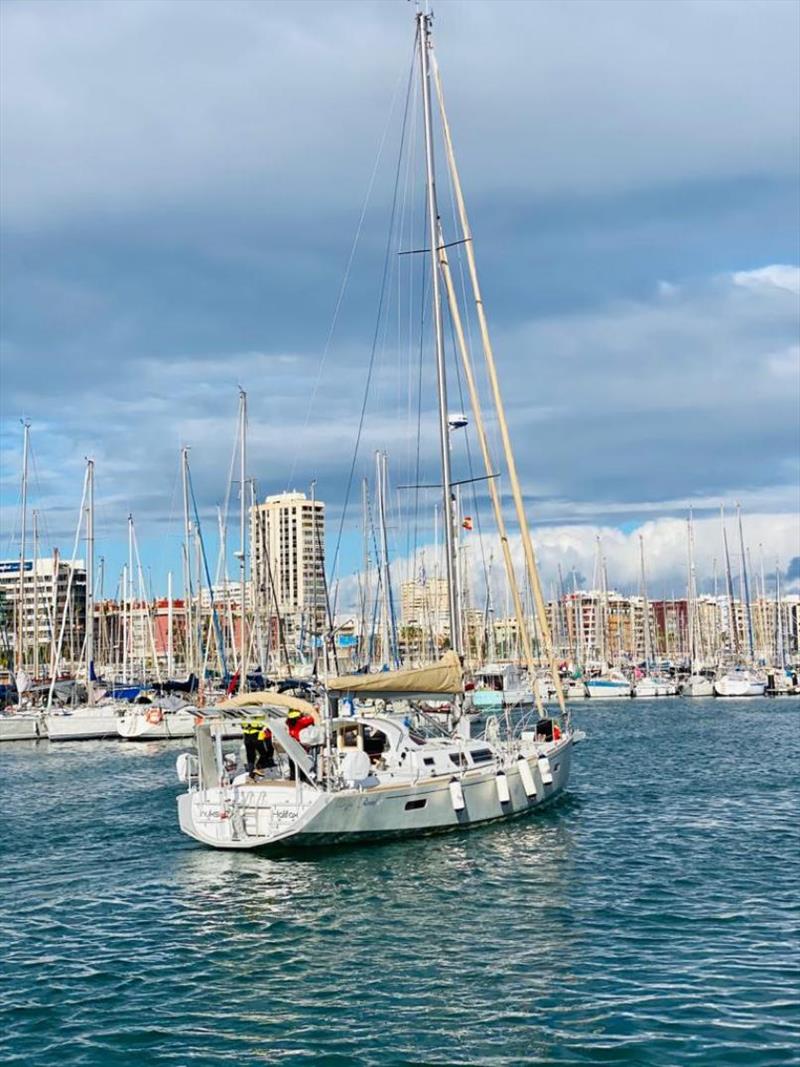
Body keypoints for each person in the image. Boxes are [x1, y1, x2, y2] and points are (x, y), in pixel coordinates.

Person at [285, 707, 316, 780]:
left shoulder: (288, 721)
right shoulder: (301, 722)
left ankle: (293, 778)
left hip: (291, 744)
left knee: (292, 762)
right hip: (300, 745)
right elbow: (311, 719)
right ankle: (302, 778)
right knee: (301, 762)